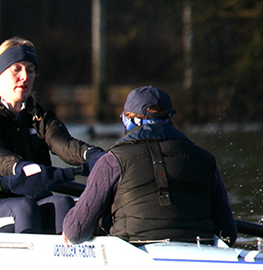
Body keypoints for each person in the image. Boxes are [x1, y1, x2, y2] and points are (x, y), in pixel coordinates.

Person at [0, 37, 104, 234]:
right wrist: (19, 166)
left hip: (25, 204)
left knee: (63, 203)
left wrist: (93, 155)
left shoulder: (39, 116)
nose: (25, 76)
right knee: (24, 207)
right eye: (16, 69)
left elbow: (65, 144)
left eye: (30, 70)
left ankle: (66, 253)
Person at [63, 86, 237, 245]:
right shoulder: (205, 159)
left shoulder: (112, 161)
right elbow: (228, 233)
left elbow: (75, 233)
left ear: (129, 120)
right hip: (199, 247)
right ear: (169, 118)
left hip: (134, 249)